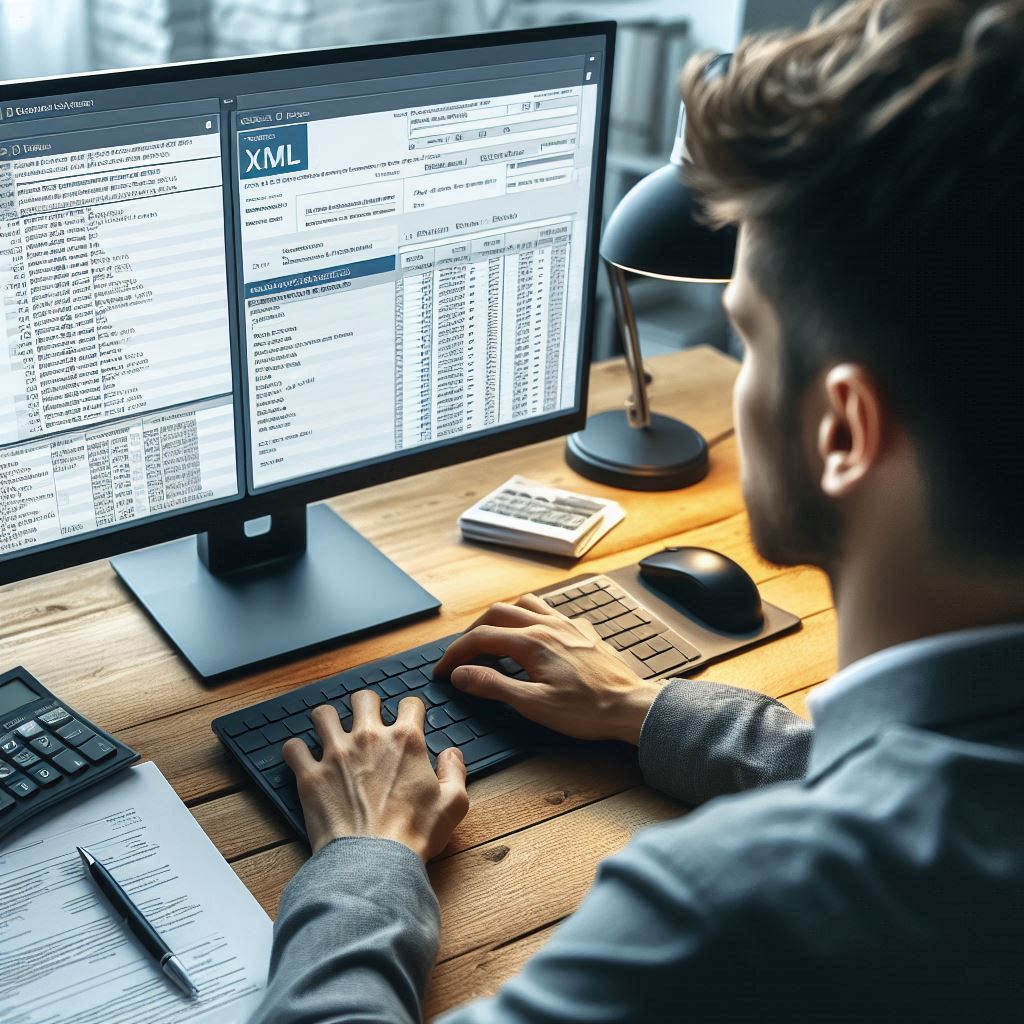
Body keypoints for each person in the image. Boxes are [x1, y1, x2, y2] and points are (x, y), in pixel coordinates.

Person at [250, 1, 1024, 1019]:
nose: (734, 388)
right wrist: (646, 708)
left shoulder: (730, 912)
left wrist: (364, 858)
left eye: (746, 336)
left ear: (842, 432)